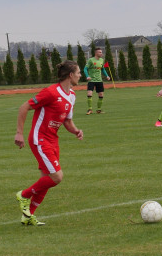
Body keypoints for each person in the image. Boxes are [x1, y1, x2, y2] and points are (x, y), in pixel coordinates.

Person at [14, 60, 84, 226]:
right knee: (57, 176)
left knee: (46, 179)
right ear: (70, 75)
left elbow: (67, 121)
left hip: (53, 140)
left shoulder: (72, 96)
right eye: (79, 72)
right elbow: (24, 107)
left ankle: (28, 215)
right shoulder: (51, 92)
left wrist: (75, 130)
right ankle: (23, 195)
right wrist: (19, 133)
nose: (81, 75)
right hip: (40, 139)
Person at [83, 47, 111, 114]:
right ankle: (90, 109)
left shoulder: (101, 60)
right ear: (96, 53)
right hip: (91, 80)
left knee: (101, 95)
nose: (101, 53)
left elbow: (103, 69)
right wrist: (87, 76)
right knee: (89, 93)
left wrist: (107, 75)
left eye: (101, 52)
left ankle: (99, 110)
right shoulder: (91, 60)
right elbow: (85, 69)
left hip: (99, 80)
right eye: (100, 52)